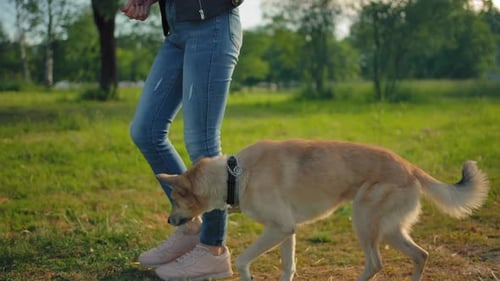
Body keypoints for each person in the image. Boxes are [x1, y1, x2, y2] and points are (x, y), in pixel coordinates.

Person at [121, 0, 243, 280]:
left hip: (212, 23)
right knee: (146, 131)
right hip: (176, 32)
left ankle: (213, 250)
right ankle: (190, 227)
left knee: (202, 144)